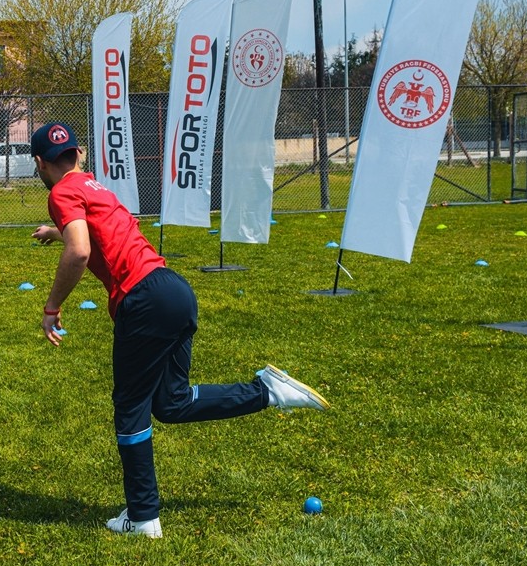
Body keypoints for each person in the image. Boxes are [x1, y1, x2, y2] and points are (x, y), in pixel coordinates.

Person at [28, 122, 329, 538]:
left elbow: (79, 250)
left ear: (40, 163)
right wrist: (56, 230)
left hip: (143, 300)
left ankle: (143, 516)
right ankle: (267, 391)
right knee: (171, 403)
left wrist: (52, 307)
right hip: (174, 291)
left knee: (130, 406)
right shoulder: (96, 187)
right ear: (78, 154)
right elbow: (100, 230)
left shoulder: (61, 192)